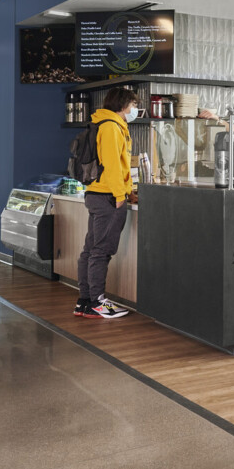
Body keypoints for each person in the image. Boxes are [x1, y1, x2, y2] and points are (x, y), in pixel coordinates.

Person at [75, 88, 139, 320]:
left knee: (91, 250)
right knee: (101, 251)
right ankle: (97, 302)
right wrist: (120, 196)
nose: (135, 110)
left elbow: (119, 166)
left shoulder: (105, 123)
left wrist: (128, 191)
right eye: (133, 104)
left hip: (98, 194)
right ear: (123, 105)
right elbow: (112, 165)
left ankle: (84, 301)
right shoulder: (112, 127)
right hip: (108, 198)